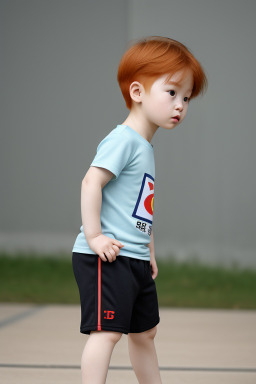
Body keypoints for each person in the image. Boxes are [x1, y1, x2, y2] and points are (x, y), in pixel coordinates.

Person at [72, 36, 207, 384]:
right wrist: (95, 237)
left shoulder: (144, 146)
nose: (181, 105)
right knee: (107, 333)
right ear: (137, 92)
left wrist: (148, 249)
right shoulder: (123, 139)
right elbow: (91, 183)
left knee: (145, 332)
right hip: (107, 256)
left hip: (134, 257)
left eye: (187, 98)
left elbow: (139, 206)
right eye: (173, 93)